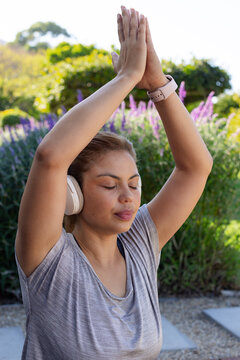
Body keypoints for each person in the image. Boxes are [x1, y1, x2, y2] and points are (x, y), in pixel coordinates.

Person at [14, 5, 213, 360]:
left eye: (134, 184)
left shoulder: (140, 243)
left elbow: (196, 167)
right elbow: (50, 158)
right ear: (72, 193)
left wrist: (156, 83)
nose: (128, 197)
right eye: (109, 185)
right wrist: (127, 77)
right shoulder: (48, 260)